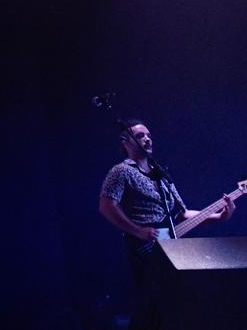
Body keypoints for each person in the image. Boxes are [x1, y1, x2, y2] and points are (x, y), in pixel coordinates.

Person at [98, 119, 235, 330]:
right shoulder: (120, 172)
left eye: (148, 135)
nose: (147, 138)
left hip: (171, 246)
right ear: (125, 141)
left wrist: (219, 216)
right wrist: (138, 231)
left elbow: (183, 213)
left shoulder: (161, 175)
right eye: (141, 135)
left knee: (177, 302)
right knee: (156, 302)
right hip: (144, 246)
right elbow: (107, 206)